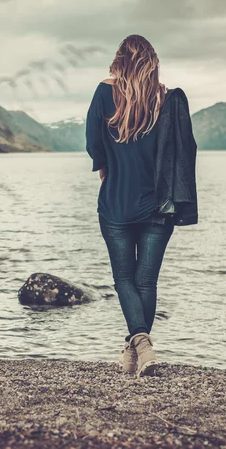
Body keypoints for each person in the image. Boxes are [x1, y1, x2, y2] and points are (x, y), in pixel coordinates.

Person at [86, 34, 198, 378]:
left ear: (119, 59)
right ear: (151, 61)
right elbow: (183, 149)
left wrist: (105, 168)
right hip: (157, 205)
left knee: (124, 278)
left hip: (116, 200)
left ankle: (139, 345)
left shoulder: (105, 92)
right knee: (146, 282)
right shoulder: (164, 98)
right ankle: (139, 350)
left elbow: (93, 143)